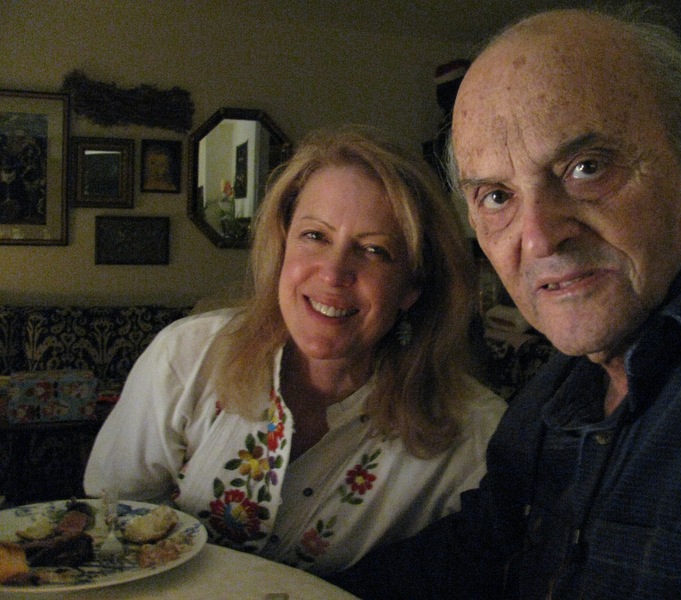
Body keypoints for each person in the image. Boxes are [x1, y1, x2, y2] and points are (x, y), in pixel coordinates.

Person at [326, 6, 681, 599]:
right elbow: (476, 552)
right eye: (496, 196)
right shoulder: (559, 389)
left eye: (586, 168)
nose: (539, 239)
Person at [84, 125, 506, 575]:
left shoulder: (477, 435)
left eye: (374, 250)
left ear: (412, 287)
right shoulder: (187, 356)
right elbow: (113, 513)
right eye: (315, 236)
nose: (333, 273)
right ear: (283, 243)